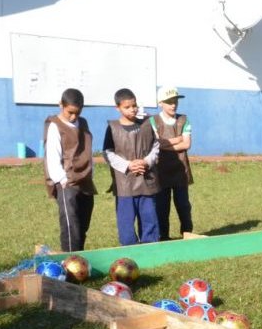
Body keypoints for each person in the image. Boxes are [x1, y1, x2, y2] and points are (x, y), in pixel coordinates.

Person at [103, 88, 160, 245]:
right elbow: (108, 153)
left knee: (150, 218)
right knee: (126, 223)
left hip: (147, 181)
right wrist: (129, 165)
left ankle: (151, 247)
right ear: (118, 108)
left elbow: (156, 146)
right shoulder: (113, 128)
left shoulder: (148, 124)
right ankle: (129, 249)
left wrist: (146, 162)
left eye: (134, 105)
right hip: (125, 184)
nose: (132, 109)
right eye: (127, 107)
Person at [44, 88, 97, 252]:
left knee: (83, 223)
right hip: (67, 181)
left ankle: (79, 256)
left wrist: (90, 172)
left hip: (85, 179)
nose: (74, 117)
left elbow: (87, 149)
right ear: (61, 105)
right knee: (70, 224)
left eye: (78, 113)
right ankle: (69, 259)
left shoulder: (84, 123)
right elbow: (52, 155)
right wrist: (62, 179)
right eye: (70, 112)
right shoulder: (55, 125)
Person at [150, 86, 194, 241]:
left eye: (175, 101)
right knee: (162, 206)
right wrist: (177, 139)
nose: (173, 104)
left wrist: (165, 144)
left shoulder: (184, 119)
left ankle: (187, 232)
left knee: (183, 205)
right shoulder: (153, 121)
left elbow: (186, 144)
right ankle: (163, 236)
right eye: (169, 102)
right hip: (160, 171)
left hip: (180, 170)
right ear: (160, 103)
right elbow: (156, 144)